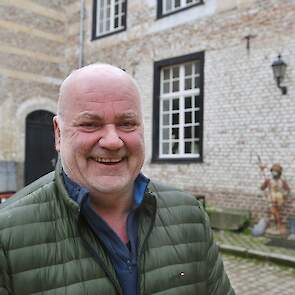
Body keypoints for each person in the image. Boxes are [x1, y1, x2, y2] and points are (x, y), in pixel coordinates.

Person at [0, 64, 235, 295]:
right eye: (90, 124)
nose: (112, 141)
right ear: (59, 134)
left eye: (127, 123)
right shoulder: (7, 235)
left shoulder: (189, 215)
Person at [260, 163, 290, 237]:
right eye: (273, 171)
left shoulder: (282, 181)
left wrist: (284, 195)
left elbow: (288, 190)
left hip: (279, 199)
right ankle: (279, 226)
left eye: (276, 172)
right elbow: (262, 188)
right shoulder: (269, 180)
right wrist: (264, 184)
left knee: (276, 212)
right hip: (271, 199)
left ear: (280, 173)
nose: (274, 173)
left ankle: (278, 226)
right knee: (274, 211)